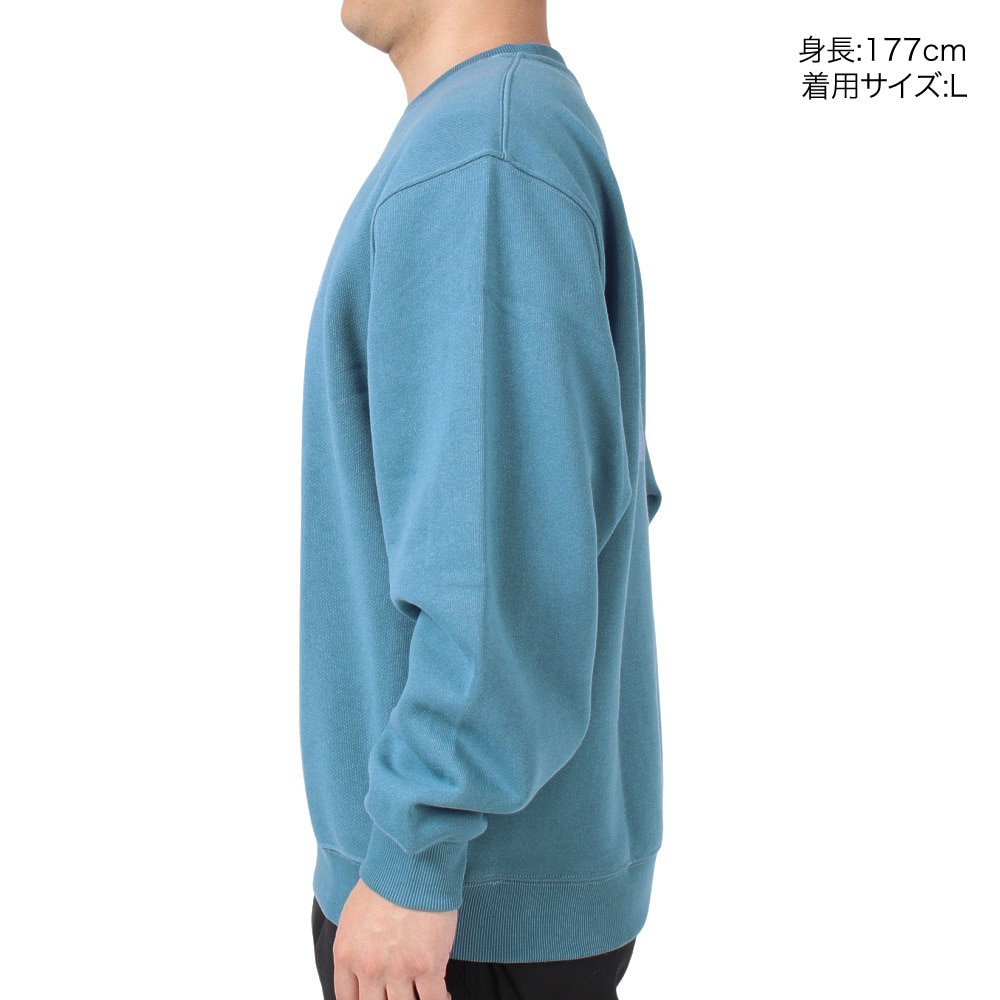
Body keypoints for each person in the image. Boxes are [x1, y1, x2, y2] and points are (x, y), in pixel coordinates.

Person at [299, 1, 664, 997]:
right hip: (490, 888)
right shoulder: (512, 129)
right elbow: (581, 502)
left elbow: (500, 563)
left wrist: (412, 854)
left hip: (455, 909)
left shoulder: (481, 154)